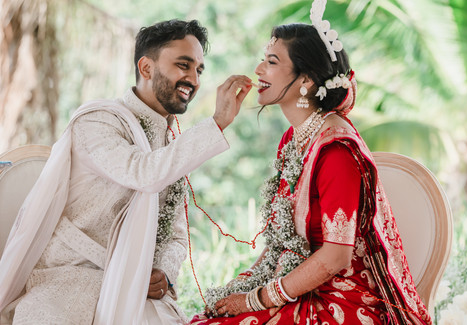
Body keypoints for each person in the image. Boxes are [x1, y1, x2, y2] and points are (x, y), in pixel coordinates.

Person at [189, 1, 432, 324]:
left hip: (340, 299)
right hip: (299, 284)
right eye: (263, 60)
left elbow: (336, 256)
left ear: (305, 80)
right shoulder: (294, 138)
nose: (259, 69)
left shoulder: (336, 152)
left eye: (271, 62)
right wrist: (249, 287)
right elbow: (284, 237)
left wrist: (255, 299)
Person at [0, 19, 252, 324]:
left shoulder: (169, 142)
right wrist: (217, 124)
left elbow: (175, 234)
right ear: (146, 68)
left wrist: (164, 274)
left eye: (199, 70)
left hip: (138, 291)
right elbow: (144, 173)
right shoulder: (98, 121)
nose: (193, 79)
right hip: (68, 281)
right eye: (183, 65)